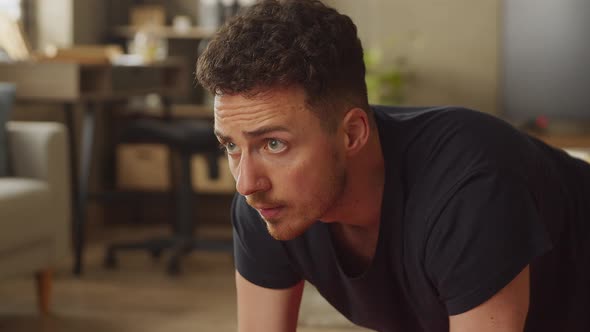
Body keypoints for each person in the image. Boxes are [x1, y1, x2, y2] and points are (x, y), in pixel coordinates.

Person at [196, 0, 590, 331]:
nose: (246, 182)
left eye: (274, 143)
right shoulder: (268, 202)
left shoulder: (469, 188)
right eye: (231, 145)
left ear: (352, 133)